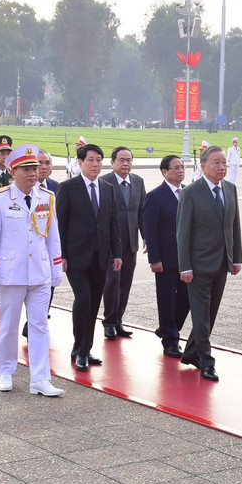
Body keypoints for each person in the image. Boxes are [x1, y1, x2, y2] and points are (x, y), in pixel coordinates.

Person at [0, 143, 65, 396]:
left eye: (35, 168)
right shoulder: (0, 199)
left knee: (40, 325)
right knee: (8, 324)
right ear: (12, 172)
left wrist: (55, 267)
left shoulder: (47, 198)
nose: (33, 173)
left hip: (39, 272)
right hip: (11, 273)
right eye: (27, 168)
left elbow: (52, 237)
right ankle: (5, 370)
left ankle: (40, 378)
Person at [176, 144, 242, 382]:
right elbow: (182, 232)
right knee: (201, 315)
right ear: (203, 167)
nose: (222, 166)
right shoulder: (192, 192)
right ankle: (206, 361)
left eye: (224, 162)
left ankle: (192, 353)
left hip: (222, 263)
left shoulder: (230, 189)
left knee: (210, 314)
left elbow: (234, 226)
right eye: (216, 162)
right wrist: (185, 266)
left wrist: (236, 259)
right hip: (198, 265)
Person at [57, 142, 123, 372]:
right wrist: (61, 255)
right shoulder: (68, 188)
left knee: (94, 303)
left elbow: (113, 223)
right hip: (76, 258)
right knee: (83, 300)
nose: (95, 164)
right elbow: (60, 225)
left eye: (98, 160)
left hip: (101, 257)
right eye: (90, 160)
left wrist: (116, 253)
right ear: (80, 163)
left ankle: (84, 349)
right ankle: (80, 350)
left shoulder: (108, 188)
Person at [143, 154, 189, 358]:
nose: (180, 170)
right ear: (164, 172)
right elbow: (150, 230)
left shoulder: (189, 193)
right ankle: (170, 341)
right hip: (166, 258)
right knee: (167, 299)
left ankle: (167, 329)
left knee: (186, 300)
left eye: (182, 166)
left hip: (187, 258)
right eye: (176, 167)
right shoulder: (155, 196)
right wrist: (155, 259)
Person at [101, 146, 145, 340]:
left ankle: (119, 319)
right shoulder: (104, 182)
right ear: (112, 163)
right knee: (112, 282)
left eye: (129, 160)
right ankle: (109, 321)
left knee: (125, 283)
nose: (126, 163)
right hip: (110, 244)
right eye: (121, 160)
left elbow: (142, 211)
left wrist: (147, 237)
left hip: (130, 243)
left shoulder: (138, 181)